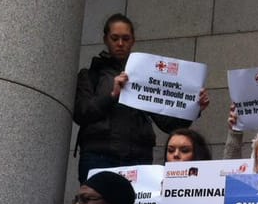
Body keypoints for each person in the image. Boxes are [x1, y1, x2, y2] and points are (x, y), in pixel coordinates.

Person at [73, 13, 209, 181]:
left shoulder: (145, 75)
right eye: (115, 38)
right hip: (99, 155)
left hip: (138, 157)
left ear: (133, 41)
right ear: (105, 39)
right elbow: (81, 112)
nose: (120, 44)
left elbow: (167, 124)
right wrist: (112, 95)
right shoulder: (90, 75)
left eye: (126, 38)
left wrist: (193, 107)